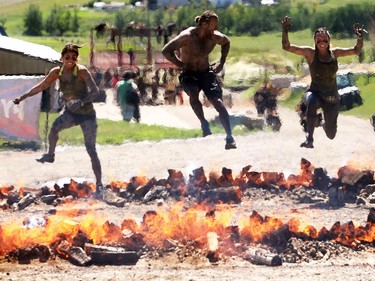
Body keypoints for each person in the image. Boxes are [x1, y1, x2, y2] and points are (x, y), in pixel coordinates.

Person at [13, 43, 104, 198]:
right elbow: (41, 86)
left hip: (87, 114)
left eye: (73, 58)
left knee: (91, 148)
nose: (70, 60)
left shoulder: (81, 71)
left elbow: (96, 91)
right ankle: (50, 154)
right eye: (67, 57)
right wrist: (22, 97)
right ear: (61, 58)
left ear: (77, 59)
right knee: (54, 129)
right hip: (71, 113)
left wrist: (81, 101)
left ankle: (100, 184)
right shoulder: (57, 72)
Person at [281, 16, 365, 148]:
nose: (322, 42)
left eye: (324, 39)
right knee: (312, 101)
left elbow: (356, 50)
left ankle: (319, 122)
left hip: (332, 98)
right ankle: (310, 139)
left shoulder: (335, 54)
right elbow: (287, 47)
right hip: (315, 92)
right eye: (318, 39)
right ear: (314, 40)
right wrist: (285, 30)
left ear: (329, 40)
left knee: (331, 134)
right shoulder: (310, 53)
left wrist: (360, 37)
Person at [161, 10, 236, 150]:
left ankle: (230, 137)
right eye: (214, 26)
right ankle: (203, 122)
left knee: (218, 102)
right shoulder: (186, 37)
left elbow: (226, 42)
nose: (216, 29)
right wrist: (180, 64)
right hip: (189, 73)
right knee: (193, 92)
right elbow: (166, 51)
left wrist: (221, 62)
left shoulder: (214, 37)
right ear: (204, 24)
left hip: (206, 72)